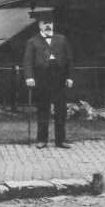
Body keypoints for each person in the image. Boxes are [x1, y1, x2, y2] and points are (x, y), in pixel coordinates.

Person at [22, 13, 73, 148]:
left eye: (50, 23)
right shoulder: (32, 41)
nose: (48, 26)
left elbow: (69, 60)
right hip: (42, 78)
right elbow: (27, 61)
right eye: (44, 23)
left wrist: (70, 77)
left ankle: (60, 140)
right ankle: (42, 140)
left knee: (61, 110)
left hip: (59, 78)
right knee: (43, 109)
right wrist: (29, 77)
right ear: (39, 25)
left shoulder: (62, 39)